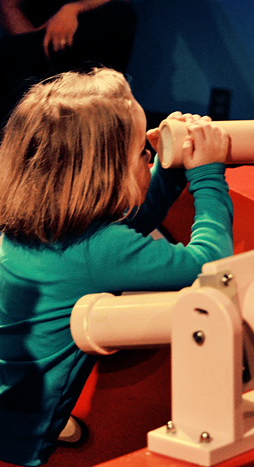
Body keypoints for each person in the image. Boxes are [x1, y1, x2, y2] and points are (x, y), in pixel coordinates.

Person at [0, 67, 233, 466]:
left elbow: (125, 231)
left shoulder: (34, 221)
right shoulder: (99, 250)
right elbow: (210, 264)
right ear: (106, 175)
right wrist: (208, 175)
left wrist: (168, 170)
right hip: (19, 443)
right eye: (142, 152)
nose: (150, 156)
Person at [0, 0, 143, 126]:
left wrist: (71, 10)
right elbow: (8, 5)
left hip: (88, 42)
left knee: (120, 14)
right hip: (30, 45)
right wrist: (37, 47)